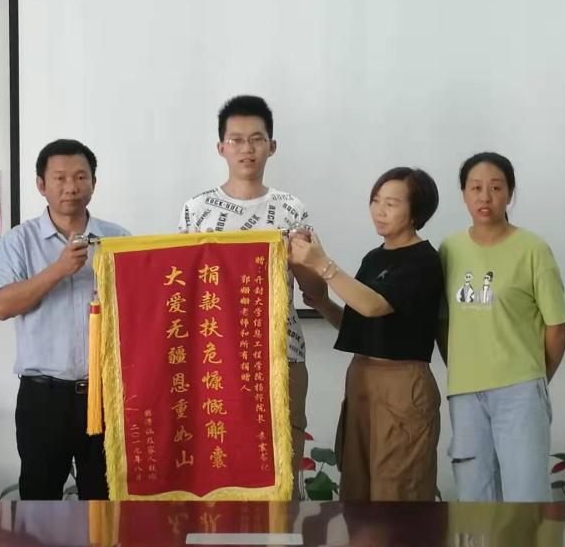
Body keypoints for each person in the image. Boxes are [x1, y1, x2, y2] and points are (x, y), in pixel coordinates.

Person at [178, 95, 326, 496]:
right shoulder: (198, 210)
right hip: (216, 356)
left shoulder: (291, 209)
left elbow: (315, 292)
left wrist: (305, 261)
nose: (247, 149)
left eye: (257, 139)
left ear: (271, 146)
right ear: (221, 147)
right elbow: (185, 290)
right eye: (237, 140)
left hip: (282, 353)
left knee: (282, 470)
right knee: (220, 465)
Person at [289, 167, 443, 501]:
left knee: (397, 492)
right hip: (361, 378)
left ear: (416, 212)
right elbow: (358, 322)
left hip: (401, 383)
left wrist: (322, 264)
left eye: (391, 203)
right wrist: (323, 304)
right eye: (375, 200)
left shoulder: (423, 260)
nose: (379, 210)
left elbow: (374, 306)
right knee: (356, 490)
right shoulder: (374, 258)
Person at [0, 139, 129, 500]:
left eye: (81, 177)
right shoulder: (19, 241)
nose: (71, 187)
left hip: (105, 394)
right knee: (40, 504)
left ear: (94, 183)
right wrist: (58, 269)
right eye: (60, 178)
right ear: (41, 184)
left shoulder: (118, 239)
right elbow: (1, 306)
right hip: (43, 397)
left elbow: (141, 310)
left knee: (105, 502)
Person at [440, 151, 565, 502]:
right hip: (465, 394)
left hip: (519, 390)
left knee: (526, 497)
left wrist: (536, 377)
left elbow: (558, 326)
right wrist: (463, 367)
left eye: (496, 187)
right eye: (475, 188)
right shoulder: (449, 249)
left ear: (510, 193)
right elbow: (443, 322)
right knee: (474, 497)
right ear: (464, 193)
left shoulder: (533, 250)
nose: (485, 197)